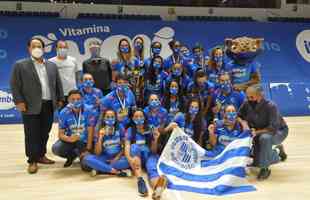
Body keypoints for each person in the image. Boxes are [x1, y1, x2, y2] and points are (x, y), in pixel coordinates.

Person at [10, 37, 64, 174]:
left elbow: (58, 83)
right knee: (31, 134)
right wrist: (19, 101)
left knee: (44, 132)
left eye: (39, 46)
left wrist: (60, 99)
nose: (37, 49)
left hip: (48, 105)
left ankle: (41, 155)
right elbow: (15, 85)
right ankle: (32, 160)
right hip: (30, 105)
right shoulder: (20, 65)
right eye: (34, 46)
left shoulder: (52, 65)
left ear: (44, 48)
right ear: (29, 48)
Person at [238, 84, 288, 180]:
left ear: (260, 95)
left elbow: (272, 128)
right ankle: (277, 151)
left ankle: (265, 169)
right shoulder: (246, 103)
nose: (249, 99)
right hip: (258, 132)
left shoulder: (271, 106)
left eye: (251, 97)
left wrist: (256, 132)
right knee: (257, 161)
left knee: (265, 138)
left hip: (278, 131)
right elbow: (239, 116)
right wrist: (244, 123)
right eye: (247, 97)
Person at [52, 90, 97, 167]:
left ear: (82, 99)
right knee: (56, 148)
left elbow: (91, 131)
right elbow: (60, 134)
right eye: (73, 99)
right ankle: (72, 156)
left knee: (87, 166)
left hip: (86, 142)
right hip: (72, 140)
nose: (76, 101)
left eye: (78, 99)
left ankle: (83, 155)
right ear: (68, 100)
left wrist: (87, 149)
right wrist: (69, 138)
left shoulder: (89, 110)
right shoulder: (63, 112)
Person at [82, 109, 130, 177]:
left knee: (129, 161)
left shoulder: (120, 127)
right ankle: (115, 172)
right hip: (104, 157)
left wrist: (117, 157)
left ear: (115, 118)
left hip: (118, 158)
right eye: (107, 117)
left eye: (112, 117)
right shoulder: (98, 130)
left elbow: (124, 147)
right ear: (104, 119)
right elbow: (97, 153)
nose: (110, 119)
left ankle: (101, 169)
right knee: (87, 159)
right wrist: (100, 138)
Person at [124, 109, 152, 197]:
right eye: (136, 116)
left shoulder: (150, 128)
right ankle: (140, 180)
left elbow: (153, 150)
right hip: (136, 159)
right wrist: (130, 159)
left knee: (153, 166)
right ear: (132, 118)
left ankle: (156, 185)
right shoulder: (130, 130)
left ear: (144, 118)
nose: (139, 118)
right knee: (134, 147)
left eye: (141, 116)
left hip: (147, 157)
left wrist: (156, 139)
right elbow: (127, 146)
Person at [49, 40, 81, 109]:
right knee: (62, 114)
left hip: (73, 93)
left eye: (64, 47)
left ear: (67, 48)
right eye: (60, 47)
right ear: (56, 48)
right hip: (60, 95)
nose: (62, 49)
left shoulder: (73, 60)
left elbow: (77, 74)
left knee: (75, 113)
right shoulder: (51, 61)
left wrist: (77, 87)